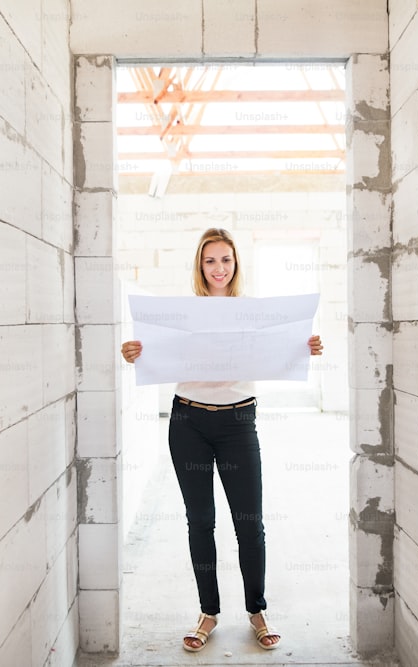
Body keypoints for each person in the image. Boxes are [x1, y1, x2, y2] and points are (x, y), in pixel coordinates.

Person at [120, 228, 324, 653]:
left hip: (237, 423)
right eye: (210, 260)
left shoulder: (252, 312)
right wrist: (136, 352)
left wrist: (306, 347)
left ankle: (257, 610)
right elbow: (155, 350)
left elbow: (281, 348)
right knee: (201, 522)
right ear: (200, 265)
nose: (219, 268)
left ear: (236, 264)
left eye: (226, 260)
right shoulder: (183, 313)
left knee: (250, 522)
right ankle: (208, 612)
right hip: (188, 423)